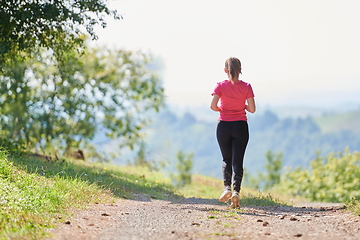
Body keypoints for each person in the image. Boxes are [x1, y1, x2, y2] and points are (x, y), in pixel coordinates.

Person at [210, 57, 256, 208]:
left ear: (225, 70)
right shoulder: (247, 86)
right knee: (238, 161)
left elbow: (213, 106)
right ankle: (236, 192)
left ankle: (226, 188)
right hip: (240, 126)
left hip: (223, 125)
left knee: (226, 159)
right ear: (240, 70)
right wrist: (241, 105)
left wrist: (223, 108)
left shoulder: (220, 86)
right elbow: (252, 109)